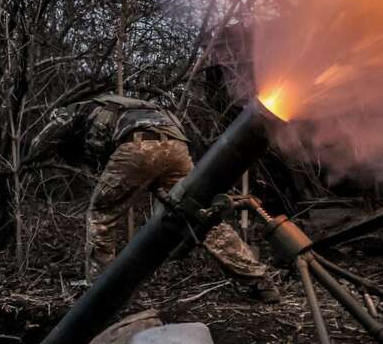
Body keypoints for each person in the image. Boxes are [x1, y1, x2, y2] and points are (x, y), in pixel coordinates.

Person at [28, 94, 279, 301]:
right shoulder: (126, 107)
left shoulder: (78, 109)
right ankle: (259, 279)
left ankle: (99, 292)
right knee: (198, 215)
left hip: (137, 145)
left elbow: (45, 138)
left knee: (101, 215)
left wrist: (28, 158)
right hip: (176, 145)